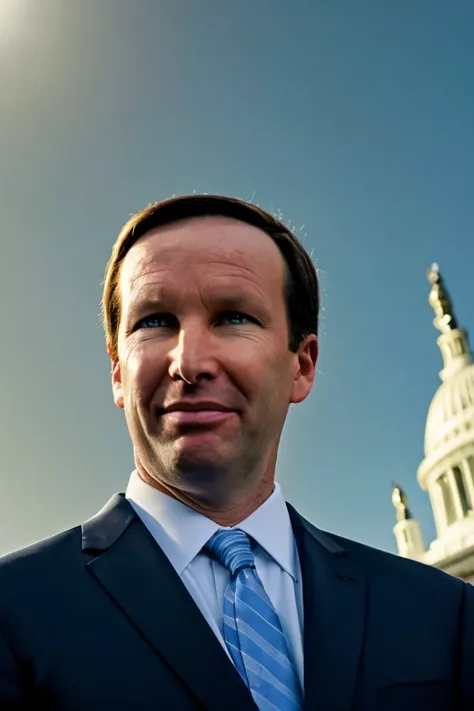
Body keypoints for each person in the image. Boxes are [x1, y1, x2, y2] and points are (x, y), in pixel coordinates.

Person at [0, 195, 473, 711]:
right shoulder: (13, 610)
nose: (191, 362)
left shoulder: (443, 614)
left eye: (234, 317)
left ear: (303, 365)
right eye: (154, 321)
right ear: (118, 371)